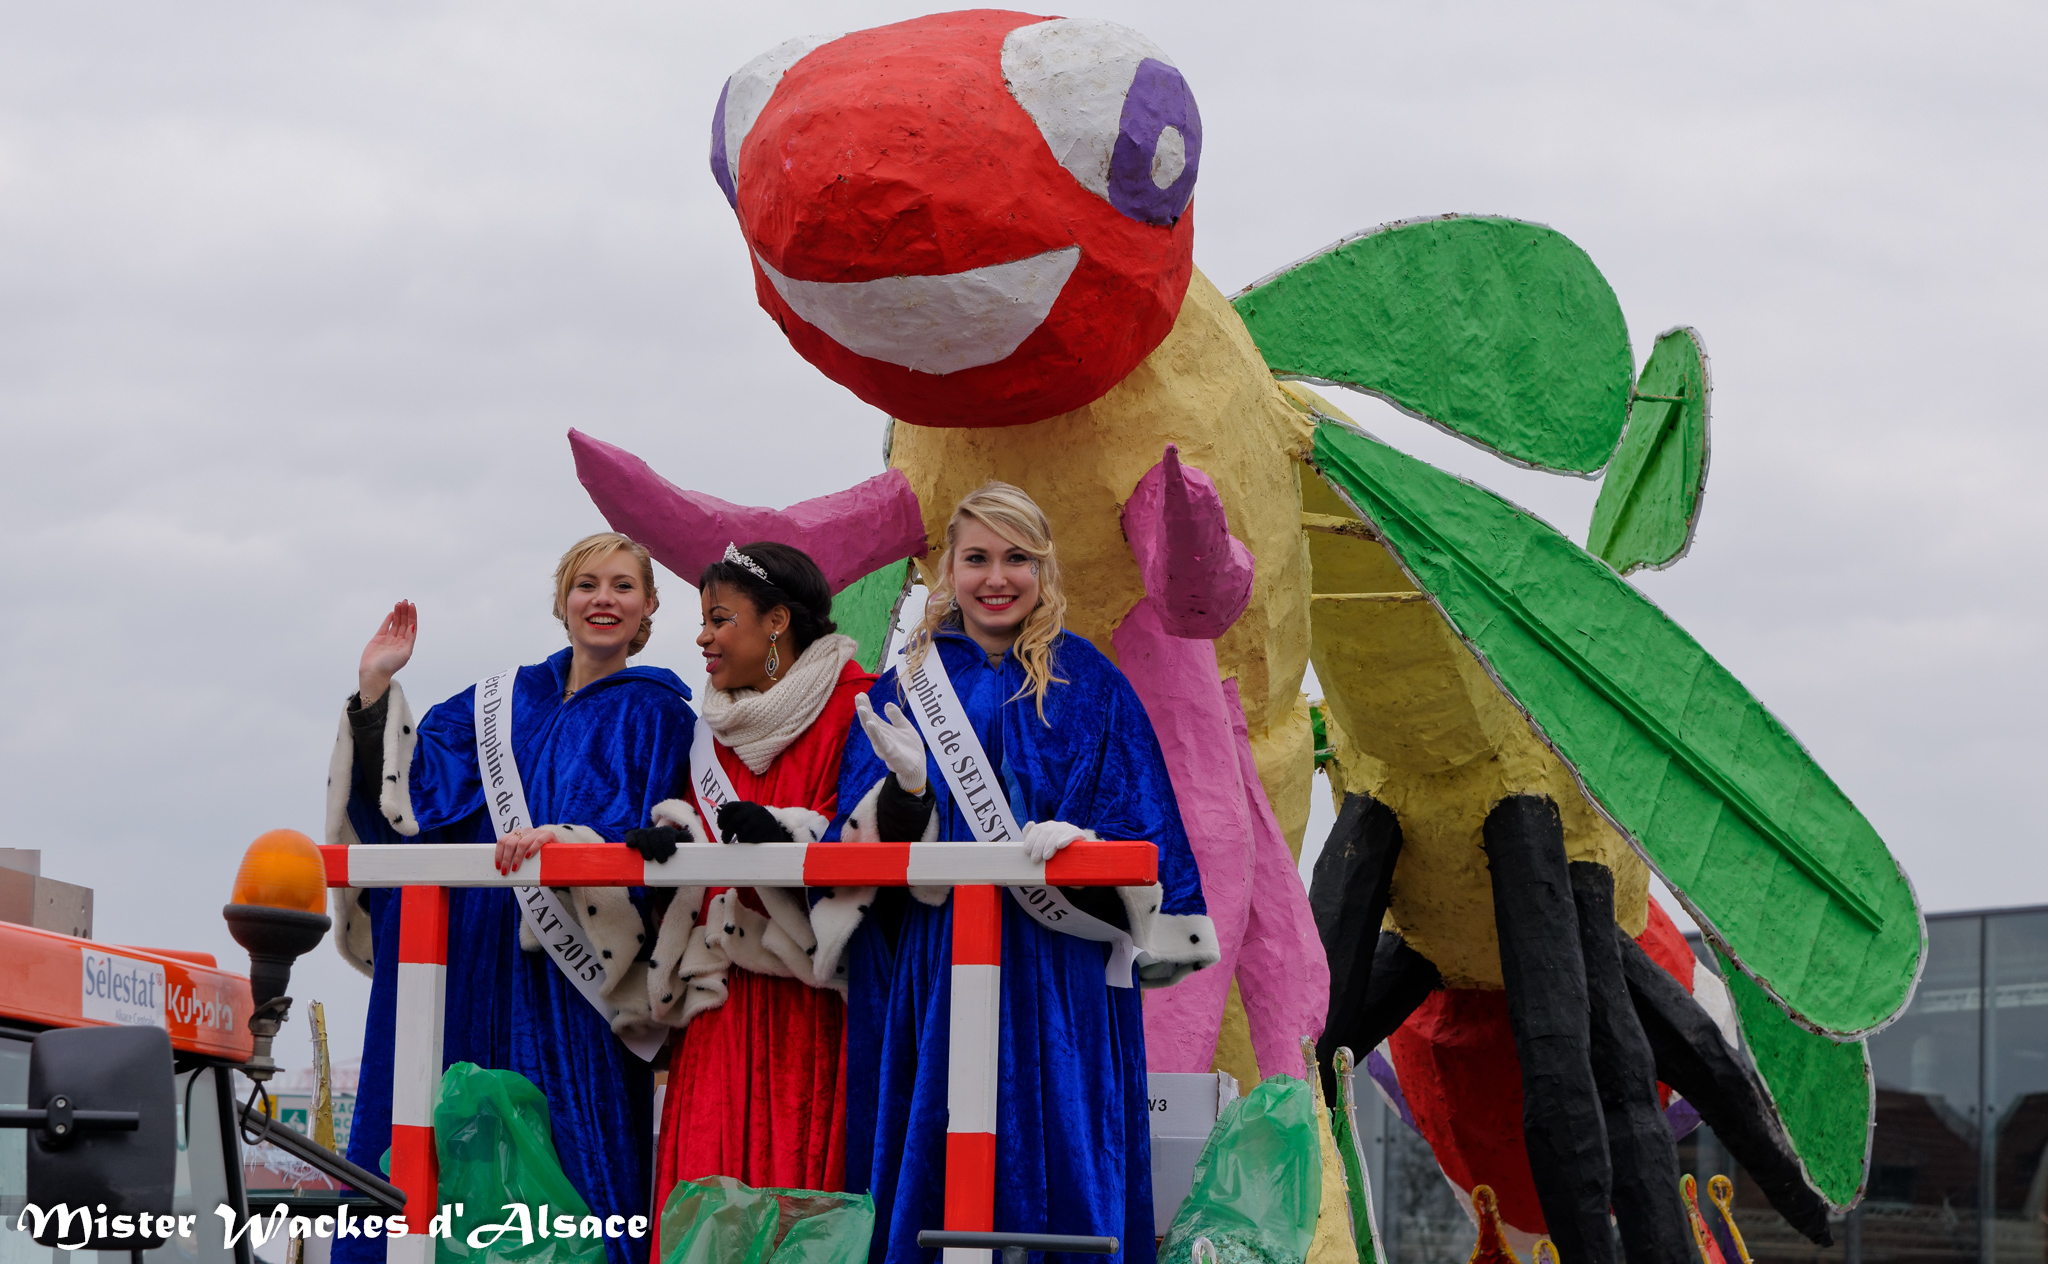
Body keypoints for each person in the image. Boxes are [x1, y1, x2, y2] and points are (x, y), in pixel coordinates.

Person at [818, 483, 1220, 1264]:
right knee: (942, 1143)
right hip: (939, 962)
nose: (995, 578)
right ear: (949, 569)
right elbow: (858, 852)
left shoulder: (1091, 683)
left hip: (1059, 967)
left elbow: (1146, 829)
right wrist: (905, 795)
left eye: (1017, 559)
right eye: (977, 559)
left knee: (1063, 1148)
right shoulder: (906, 688)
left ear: (1044, 569)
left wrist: (1085, 848)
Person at [325, 532, 694, 1264]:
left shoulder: (661, 715)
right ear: (562, 601)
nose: (603, 600)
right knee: (433, 1132)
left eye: (623, 586)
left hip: (567, 971)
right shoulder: (496, 701)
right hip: (465, 951)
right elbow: (415, 797)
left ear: (648, 607)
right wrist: (375, 693)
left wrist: (578, 842)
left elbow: (660, 834)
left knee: (570, 1148)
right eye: (587, 584)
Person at [639, 542, 872, 1238]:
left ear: (776, 622)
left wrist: (791, 839)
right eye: (703, 621)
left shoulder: (857, 708)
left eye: (720, 618)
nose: (703, 636)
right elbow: (700, 841)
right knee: (705, 1198)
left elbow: (870, 841)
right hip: (721, 1005)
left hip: (815, 1004)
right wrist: (670, 844)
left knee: (803, 1198)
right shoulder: (709, 732)